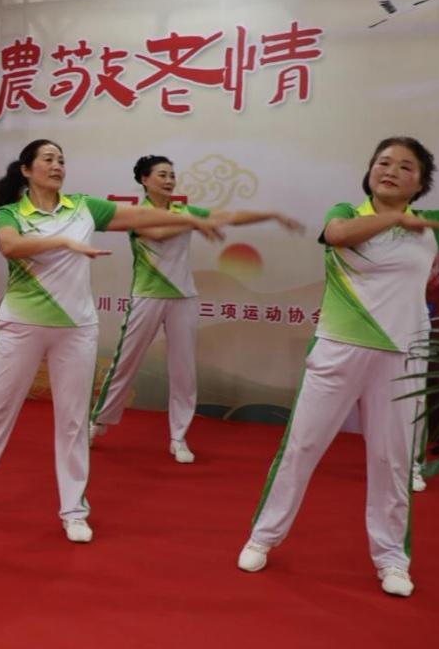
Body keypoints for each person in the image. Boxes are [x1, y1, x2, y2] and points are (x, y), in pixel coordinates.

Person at [239, 137, 439, 597]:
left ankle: (392, 558)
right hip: (338, 349)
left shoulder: (436, 227)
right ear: (370, 170)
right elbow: (337, 235)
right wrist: (395, 218)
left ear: (421, 183)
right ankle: (263, 537)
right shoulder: (347, 213)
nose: (391, 170)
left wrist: (414, 221)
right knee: (301, 448)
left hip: (401, 356)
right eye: (384, 162)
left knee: (391, 460)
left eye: (405, 166)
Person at [0, 139, 223, 543]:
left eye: (61, 160)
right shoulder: (10, 212)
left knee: (71, 422)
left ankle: (73, 509)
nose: (57, 166)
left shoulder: (84, 207)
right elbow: (10, 246)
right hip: (22, 324)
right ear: (27, 170)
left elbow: (145, 218)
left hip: (77, 329)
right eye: (48, 159)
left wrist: (198, 219)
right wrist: (63, 242)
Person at [90, 155, 303, 462]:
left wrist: (270, 214)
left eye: (172, 175)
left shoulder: (184, 211)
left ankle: (178, 437)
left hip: (184, 298)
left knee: (183, 372)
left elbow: (228, 216)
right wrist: (195, 222)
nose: (169, 180)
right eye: (162, 175)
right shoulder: (137, 214)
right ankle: (98, 422)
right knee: (125, 363)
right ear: (144, 180)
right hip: (148, 296)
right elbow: (158, 232)